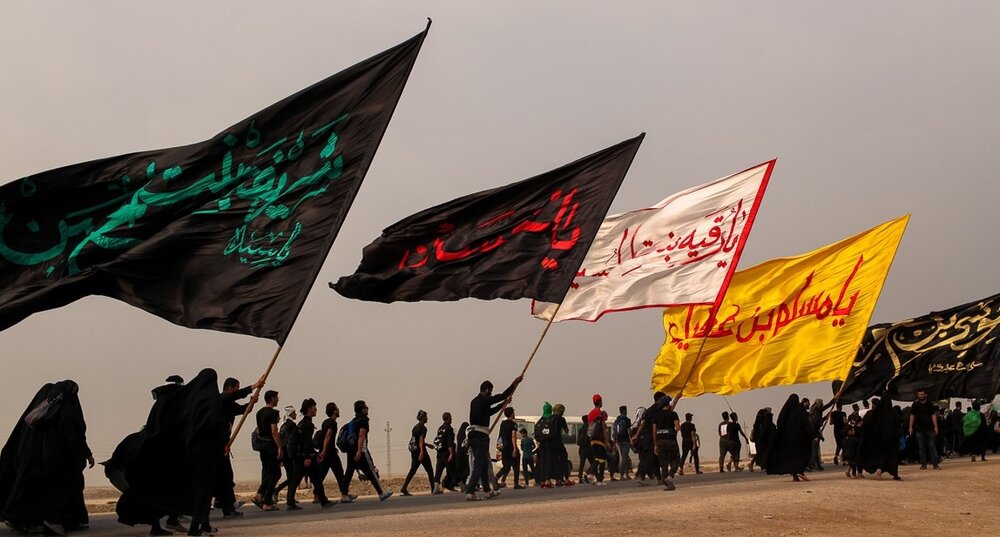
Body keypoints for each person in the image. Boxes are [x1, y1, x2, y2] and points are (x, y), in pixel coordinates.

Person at [0, 381, 94, 536]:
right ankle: (53, 520)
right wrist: (84, 455)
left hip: (35, 462)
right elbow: (73, 438)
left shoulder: (40, 414)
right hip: (59, 463)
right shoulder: (66, 413)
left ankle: (26, 519)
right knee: (59, 493)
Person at [465, 376, 522, 501]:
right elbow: (502, 395)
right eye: (490, 391)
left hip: (474, 436)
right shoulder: (484, 400)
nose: (491, 393)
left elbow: (489, 412)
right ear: (486, 390)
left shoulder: (475, 401)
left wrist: (503, 404)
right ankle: (470, 491)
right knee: (479, 464)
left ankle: (487, 491)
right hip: (480, 436)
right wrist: (514, 383)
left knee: (484, 463)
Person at [214, 376, 261, 518]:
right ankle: (226, 505)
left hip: (224, 445)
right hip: (217, 445)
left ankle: (223, 503)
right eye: (236, 389)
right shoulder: (221, 399)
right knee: (225, 475)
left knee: (225, 475)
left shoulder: (229, 404)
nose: (237, 391)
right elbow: (233, 396)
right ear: (230, 388)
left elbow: (243, 410)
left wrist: (251, 403)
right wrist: (253, 386)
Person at [287, 398, 335, 509]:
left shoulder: (301, 423)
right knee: (316, 478)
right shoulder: (308, 424)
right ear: (309, 409)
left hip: (300, 456)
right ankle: (323, 501)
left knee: (297, 478)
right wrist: (308, 457)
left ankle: (291, 502)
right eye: (314, 407)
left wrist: (315, 454)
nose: (316, 410)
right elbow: (307, 442)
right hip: (306, 457)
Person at [343, 400, 393, 501]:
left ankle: (344, 495)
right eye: (366, 407)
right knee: (371, 471)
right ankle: (381, 493)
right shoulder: (363, 420)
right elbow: (361, 435)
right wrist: (359, 451)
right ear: (362, 409)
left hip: (350, 451)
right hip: (361, 451)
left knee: (348, 473)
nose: (367, 409)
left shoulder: (353, 421)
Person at [316, 402, 357, 504]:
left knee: (324, 474)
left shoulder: (325, 422)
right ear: (334, 411)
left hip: (329, 452)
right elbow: (327, 437)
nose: (339, 411)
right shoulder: (332, 423)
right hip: (329, 453)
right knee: (338, 473)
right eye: (337, 409)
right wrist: (324, 451)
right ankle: (344, 494)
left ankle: (344, 493)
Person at [766, 394, 812, 482]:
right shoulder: (800, 411)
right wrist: (812, 434)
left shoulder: (785, 412)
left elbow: (779, 423)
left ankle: (795, 475)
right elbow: (805, 424)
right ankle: (800, 472)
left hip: (787, 441)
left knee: (792, 458)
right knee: (803, 455)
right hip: (800, 440)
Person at [251, 390, 283, 512]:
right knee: (275, 473)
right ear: (272, 398)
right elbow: (274, 431)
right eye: (276, 397)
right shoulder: (273, 413)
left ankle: (259, 495)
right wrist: (279, 447)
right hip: (271, 446)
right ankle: (267, 502)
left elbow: (259, 430)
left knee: (267, 471)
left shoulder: (259, 413)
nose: (278, 399)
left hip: (262, 446)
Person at [859, 396, 902, 480]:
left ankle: (879, 470)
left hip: (880, 439)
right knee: (893, 457)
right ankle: (895, 474)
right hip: (892, 439)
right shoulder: (893, 412)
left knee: (882, 456)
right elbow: (898, 423)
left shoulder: (875, 413)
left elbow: (868, 424)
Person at [649, 393, 680, 491]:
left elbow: (654, 432)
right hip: (671, 440)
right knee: (676, 461)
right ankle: (670, 477)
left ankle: (667, 484)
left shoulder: (655, 415)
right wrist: (674, 432)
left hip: (660, 441)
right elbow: (677, 427)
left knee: (664, 463)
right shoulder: (673, 414)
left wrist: (655, 445)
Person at [400, 410, 435, 496]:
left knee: (412, 470)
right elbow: (421, 440)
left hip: (414, 452)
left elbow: (415, 440)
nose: (427, 418)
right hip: (421, 452)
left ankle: (404, 488)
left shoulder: (415, 427)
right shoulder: (423, 428)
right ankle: (433, 489)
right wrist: (422, 452)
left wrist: (427, 445)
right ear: (423, 418)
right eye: (426, 417)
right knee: (429, 470)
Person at [908, 388, 940, 470]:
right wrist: (910, 427)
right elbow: (912, 415)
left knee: (932, 446)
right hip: (919, 429)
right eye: (919, 394)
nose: (920, 396)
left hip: (930, 428)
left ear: (925, 395)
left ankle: (935, 463)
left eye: (922, 394)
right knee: (921, 447)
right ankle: (923, 464)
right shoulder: (915, 405)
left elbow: (933, 415)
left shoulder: (930, 404)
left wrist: (936, 426)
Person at [272, 406, 298, 504]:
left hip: (284, 453)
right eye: (294, 413)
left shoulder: (284, 425)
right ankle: (277, 490)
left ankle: (290, 497)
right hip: (288, 454)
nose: (296, 414)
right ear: (290, 414)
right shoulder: (291, 425)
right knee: (292, 476)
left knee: (291, 475)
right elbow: (290, 441)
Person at [495, 407, 522, 489]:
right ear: (511, 414)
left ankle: (495, 478)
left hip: (504, 448)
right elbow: (513, 436)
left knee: (506, 466)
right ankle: (516, 484)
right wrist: (515, 448)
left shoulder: (502, 424)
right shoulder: (513, 424)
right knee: (516, 466)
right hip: (511, 447)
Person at [431, 412, 457, 493]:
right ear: (448, 418)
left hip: (439, 453)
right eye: (450, 417)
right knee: (452, 470)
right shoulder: (449, 428)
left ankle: (436, 489)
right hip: (446, 453)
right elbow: (450, 442)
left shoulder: (440, 428)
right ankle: (463, 486)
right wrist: (451, 453)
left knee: (438, 472)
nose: (451, 419)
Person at [550, 404, 572, 486]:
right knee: (564, 459)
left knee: (555, 461)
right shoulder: (561, 419)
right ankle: (566, 479)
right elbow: (566, 430)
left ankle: (557, 479)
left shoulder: (549, 418)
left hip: (550, 443)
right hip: (558, 442)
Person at [749, 408, 775, 473]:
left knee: (761, 452)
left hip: (760, 439)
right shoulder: (764, 420)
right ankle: (760, 465)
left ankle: (761, 465)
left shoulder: (760, 421)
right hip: (761, 439)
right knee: (762, 452)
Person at [612, 405, 633, 480]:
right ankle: (621, 474)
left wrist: (614, 442)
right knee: (624, 457)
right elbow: (629, 431)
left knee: (625, 457)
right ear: (625, 411)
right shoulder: (627, 420)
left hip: (619, 441)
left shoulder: (617, 420)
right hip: (626, 440)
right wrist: (632, 439)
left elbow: (615, 431)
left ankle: (626, 474)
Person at [842, 410, 863, 478]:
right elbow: (858, 440)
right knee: (854, 462)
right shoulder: (854, 435)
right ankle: (855, 474)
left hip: (849, 452)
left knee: (852, 463)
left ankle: (851, 472)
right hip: (854, 451)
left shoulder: (846, 438)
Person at [807, 400, 825, 471]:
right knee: (815, 450)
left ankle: (815, 464)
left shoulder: (813, 412)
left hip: (814, 433)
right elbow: (814, 425)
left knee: (814, 450)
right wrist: (815, 436)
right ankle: (814, 464)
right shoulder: (816, 413)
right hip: (815, 434)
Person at [576, 414, 591, 483]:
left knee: (581, 464)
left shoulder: (580, 429)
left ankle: (580, 478)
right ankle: (587, 473)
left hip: (581, 448)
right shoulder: (589, 428)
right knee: (594, 462)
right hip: (588, 448)